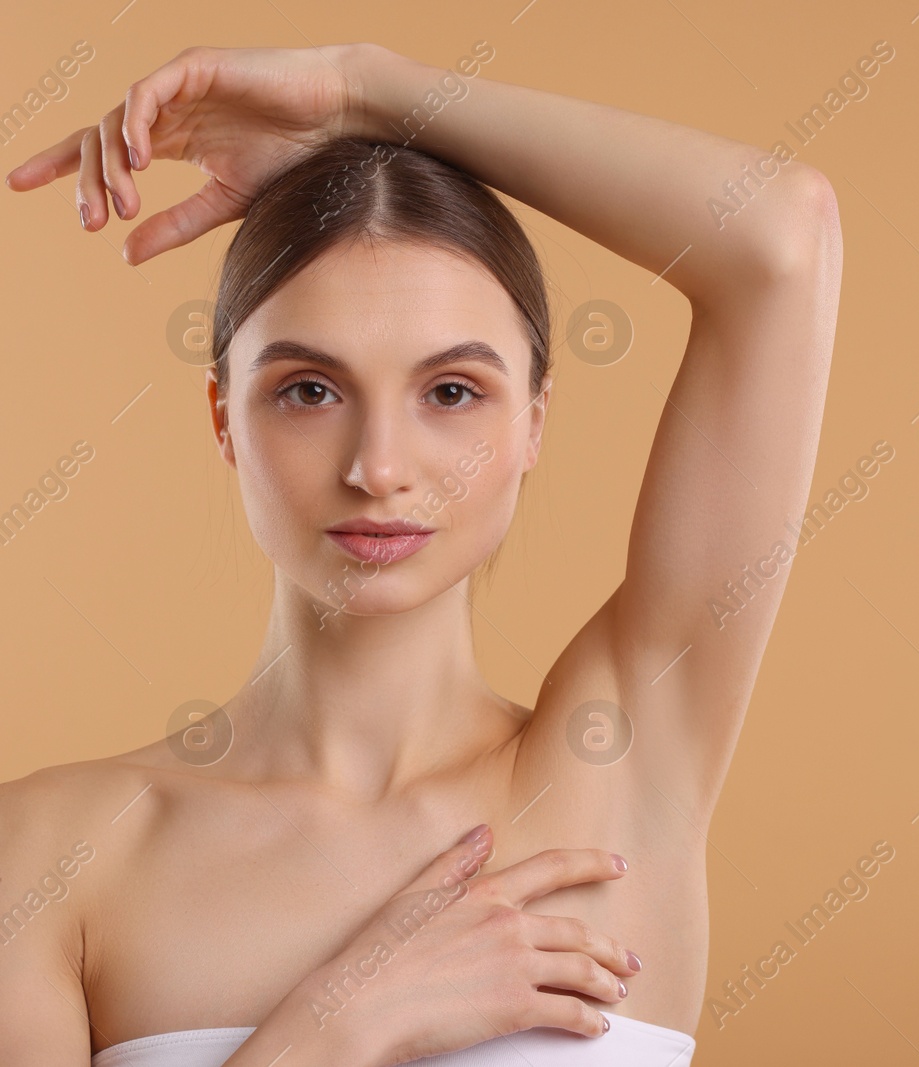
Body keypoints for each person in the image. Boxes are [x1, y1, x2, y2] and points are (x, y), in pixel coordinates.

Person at [0, 41, 841, 1067]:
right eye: (310, 389)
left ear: (533, 420)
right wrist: (341, 1019)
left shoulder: (622, 762)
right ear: (225, 418)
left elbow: (780, 236)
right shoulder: (52, 852)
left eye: (451, 392)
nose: (379, 467)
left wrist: (370, 92)